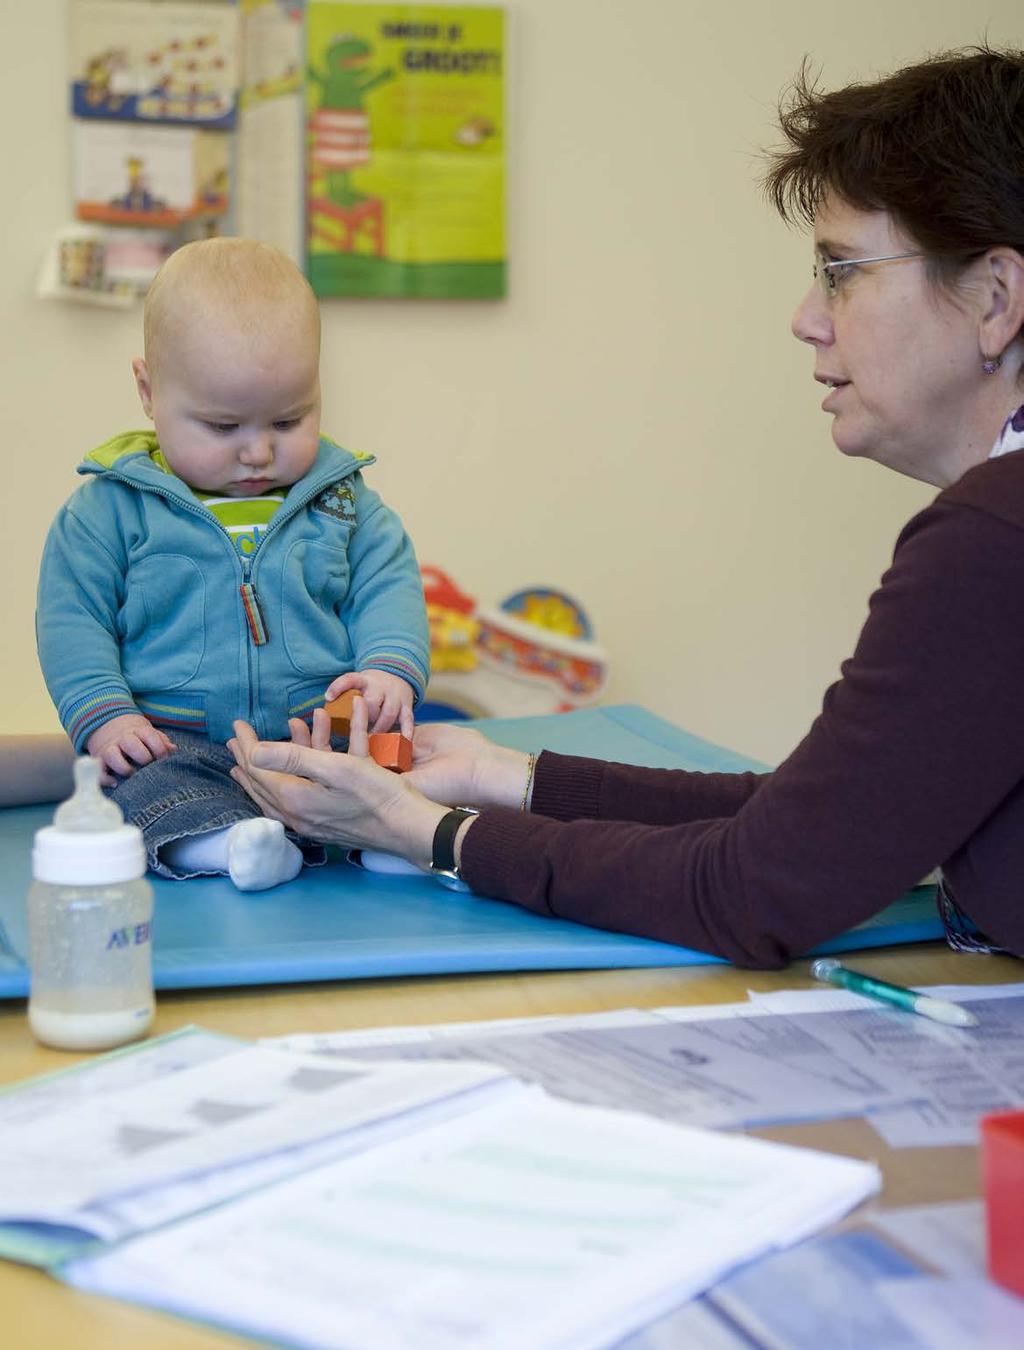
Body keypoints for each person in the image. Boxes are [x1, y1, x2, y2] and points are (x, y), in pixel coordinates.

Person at [229, 47, 1024, 965]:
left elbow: (753, 889)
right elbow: (818, 821)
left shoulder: (989, 538)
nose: (807, 315)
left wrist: (425, 833)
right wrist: (506, 780)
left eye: (842, 269)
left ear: (996, 299)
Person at [37, 238, 429, 890]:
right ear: (147, 391)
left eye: (288, 418)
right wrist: (107, 717)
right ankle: (223, 845)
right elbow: (71, 618)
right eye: (223, 427)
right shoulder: (109, 511)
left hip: (317, 736)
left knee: (386, 768)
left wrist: (389, 668)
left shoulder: (340, 501)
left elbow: (387, 582)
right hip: (176, 740)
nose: (257, 453)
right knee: (140, 791)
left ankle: (389, 838)